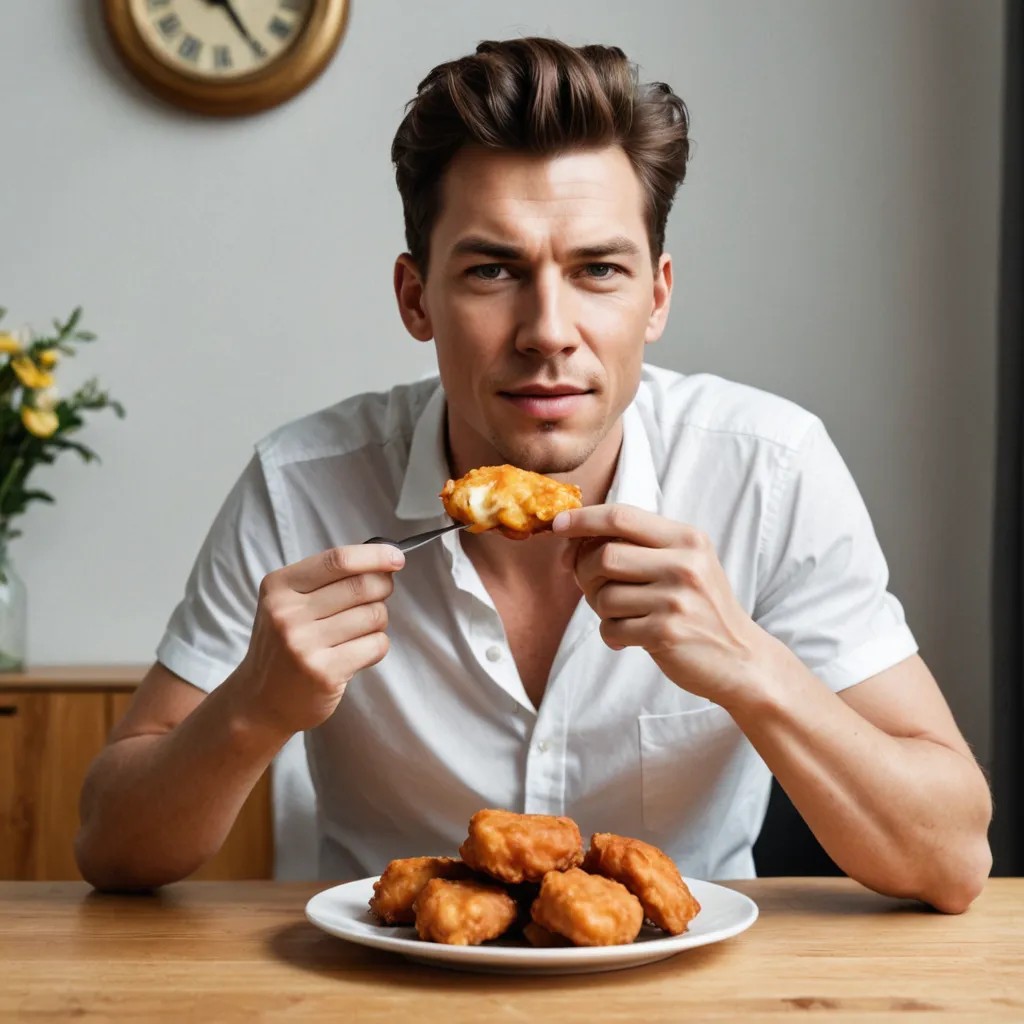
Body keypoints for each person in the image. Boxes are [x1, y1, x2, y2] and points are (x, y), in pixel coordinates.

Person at [75, 37, 991, 912]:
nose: (548, 330)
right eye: (491, 270)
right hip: (389, 989)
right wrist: (254, 710)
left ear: (657, 296)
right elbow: (111, 849)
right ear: (415, 298)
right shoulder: (301, 485)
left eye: (598, 270)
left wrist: (753, 667)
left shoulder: (772, 472)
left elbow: (951, 860)